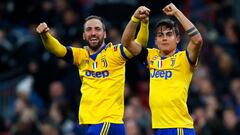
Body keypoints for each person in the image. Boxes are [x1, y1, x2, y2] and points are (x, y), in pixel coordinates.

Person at [36, 10, 149, 135]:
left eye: (97, 29)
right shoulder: (81, 56)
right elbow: (58, 50)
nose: (93, 33)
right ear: (84, 35)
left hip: (108, 123)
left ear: (104, 34)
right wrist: (45, 35)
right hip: (91, 124)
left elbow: (139, 45)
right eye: (89, 29)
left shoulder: (115, 53)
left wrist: (143, 23)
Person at [121, 3, 203, 135]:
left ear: (177, 39)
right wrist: (136, 19)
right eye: (160, 35)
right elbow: (126, 42)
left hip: (179, 128)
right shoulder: (151, 56)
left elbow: (197, 39)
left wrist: (177, 12)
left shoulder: (184, 58)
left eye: (169, 34)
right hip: (160, 128)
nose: (164, 38)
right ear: (156, 41)